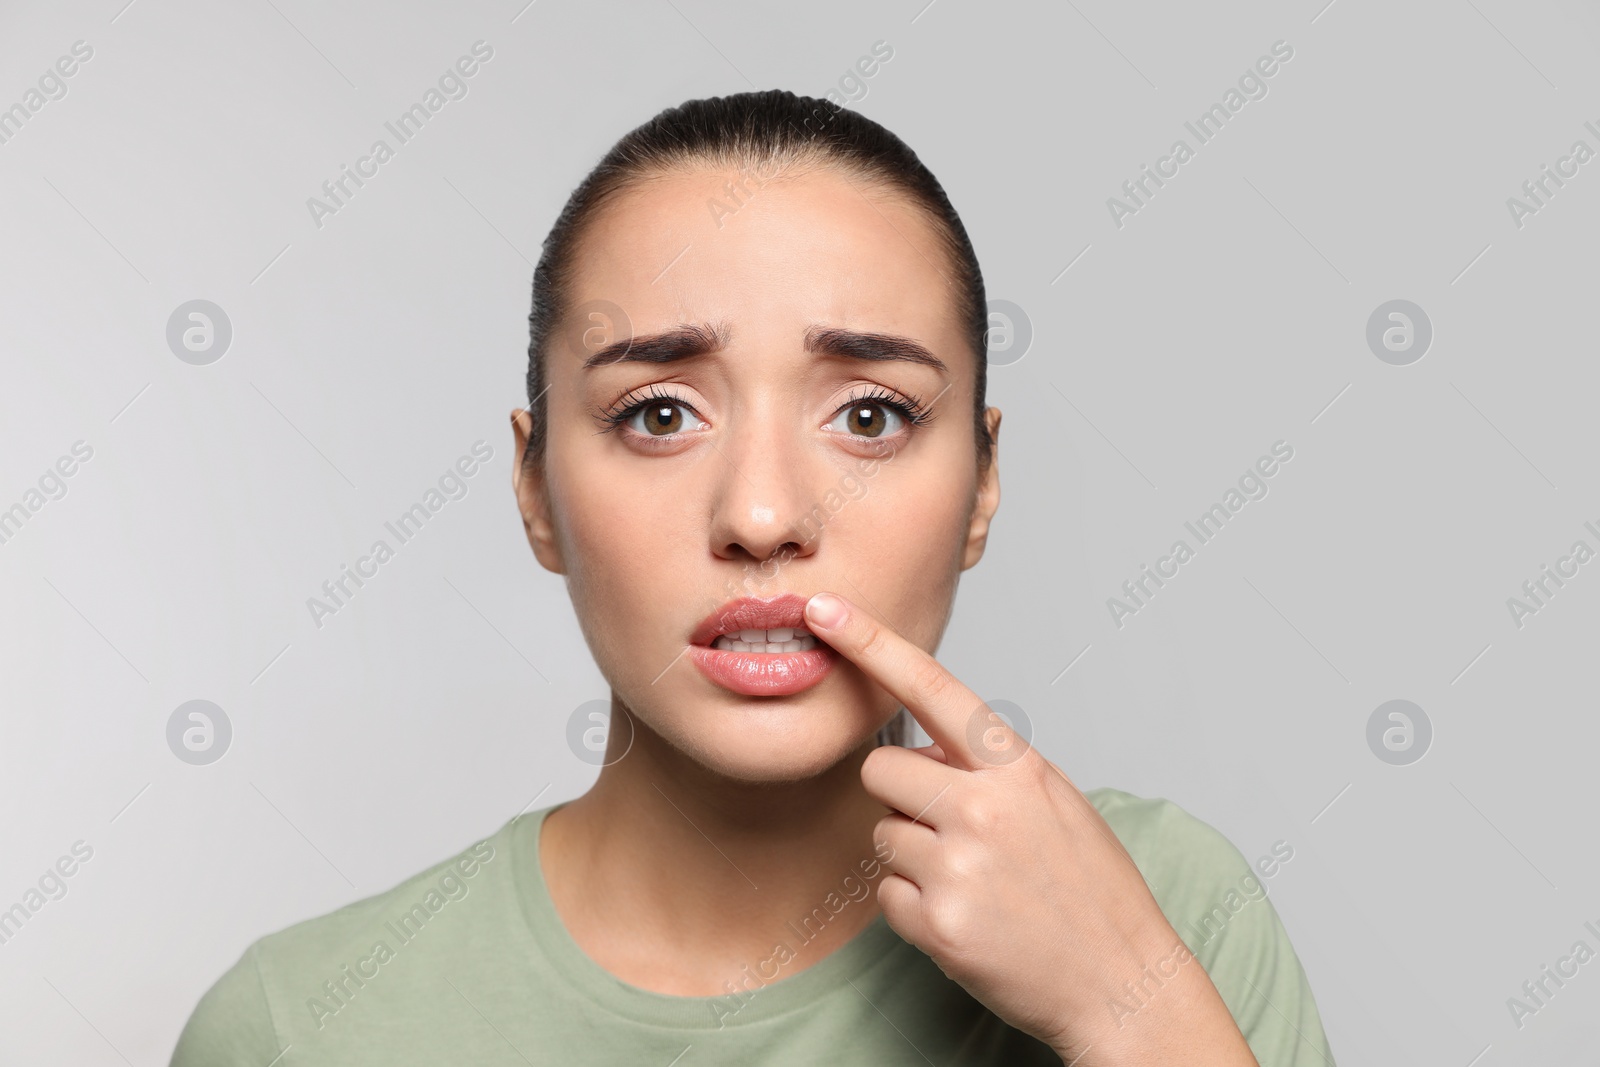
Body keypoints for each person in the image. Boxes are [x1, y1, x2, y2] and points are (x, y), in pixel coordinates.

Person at [170, 89, 1335, 1066]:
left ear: (981, 486)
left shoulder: (1164, 910)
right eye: (660, 413)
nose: (765, 514)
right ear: (535, 488)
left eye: (870, 415)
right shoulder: (300, 1025)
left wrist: (1128, 1007)